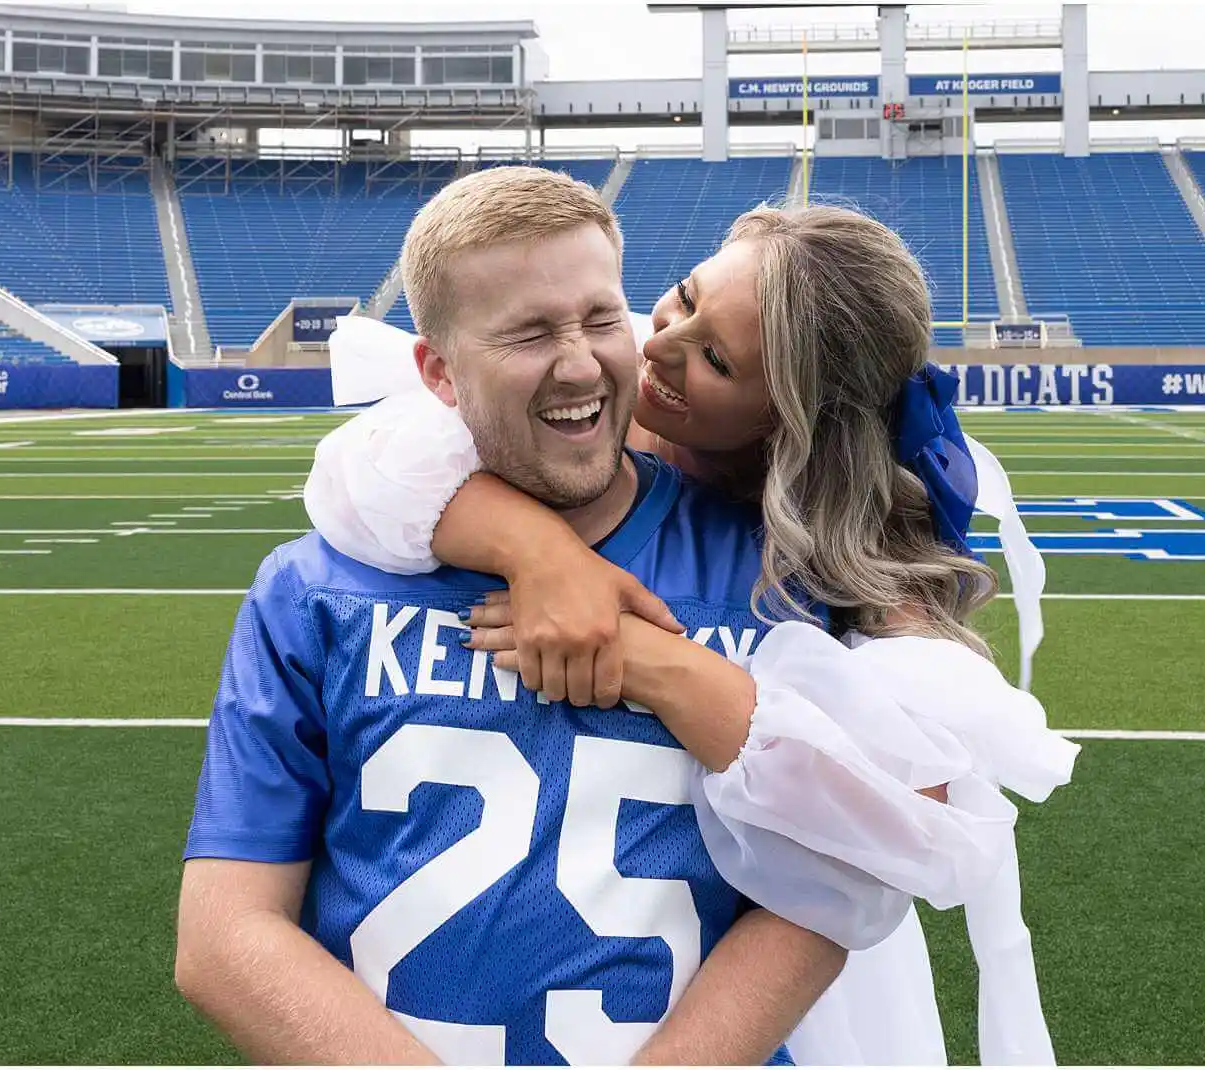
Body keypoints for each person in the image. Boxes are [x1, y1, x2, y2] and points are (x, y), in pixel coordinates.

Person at [175, 167, 1004, 1067]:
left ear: (785, 422)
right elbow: (225, 937)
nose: (634, 353)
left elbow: (866, 850)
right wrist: (542, 552)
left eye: (605, 320)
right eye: (674, 303)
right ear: (437, 374)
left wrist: (660, 663)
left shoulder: (808, 583)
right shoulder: (327, 577)